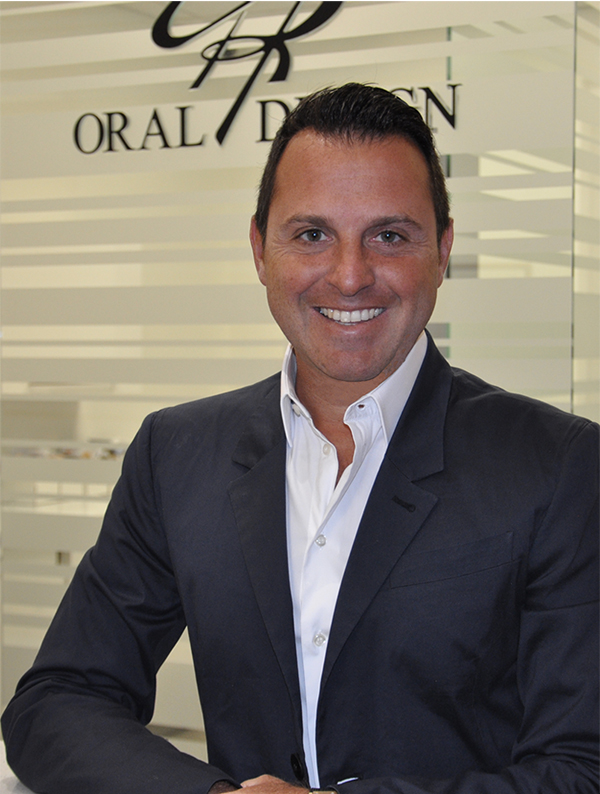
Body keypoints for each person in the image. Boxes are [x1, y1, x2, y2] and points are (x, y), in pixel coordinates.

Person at [2, 84, 598, 794]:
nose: (349, 276)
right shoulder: (177, 453)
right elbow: (57, 702)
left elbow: (581, 769)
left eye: (389, 236)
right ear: (260, 250)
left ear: (441, 250)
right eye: (312, 234)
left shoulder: (560, 466)